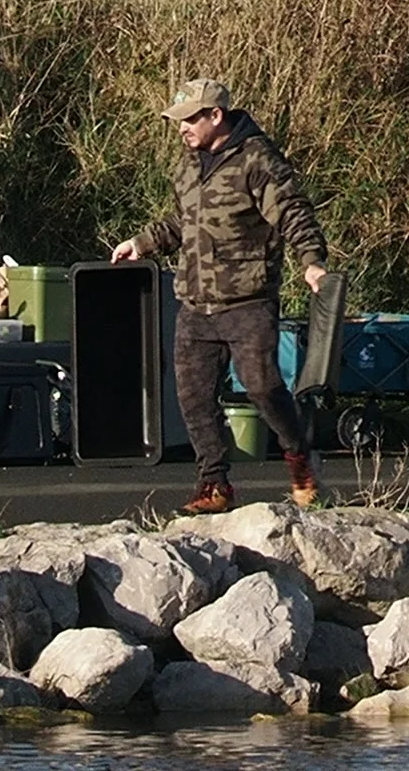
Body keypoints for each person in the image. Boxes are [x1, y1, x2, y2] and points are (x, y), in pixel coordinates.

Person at [114, 79, 332, 512]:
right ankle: (214, 485)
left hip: (247, 299)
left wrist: (312, 260)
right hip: (195, 300)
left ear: (216, 115)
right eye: (178, 121)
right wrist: (142, 243)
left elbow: (292, 210)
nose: (182, 129)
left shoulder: (257, 160)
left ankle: (299, 459)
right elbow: (185, 221)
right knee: (193, 397)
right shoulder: (189, 165)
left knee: (264, 388)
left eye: (190, 119)